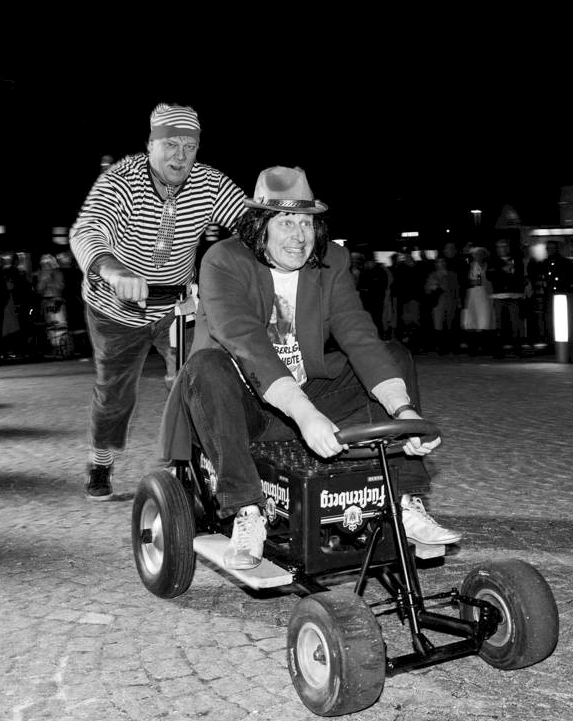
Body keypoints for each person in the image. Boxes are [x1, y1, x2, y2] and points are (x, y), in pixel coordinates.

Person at [160, 166, 460, 570]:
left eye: (307, 222)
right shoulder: (224, 260)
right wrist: (305, 415)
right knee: (206, 366)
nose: (299, 235)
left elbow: (357, 334)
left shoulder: (331, 260)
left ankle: (404, 502)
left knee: (394, 355)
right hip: (239, 409)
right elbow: (247, 343)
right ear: (259, 225)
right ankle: (247, 512)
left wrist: (402, 410)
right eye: (286, 221)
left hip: (307, 397)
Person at [69, 103, 247, 501]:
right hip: (115, 307)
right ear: (151, 145)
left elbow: (249, 222)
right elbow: (87, 231)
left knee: (198, 378)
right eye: (170, 144)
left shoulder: (208, 183)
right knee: (114, 393)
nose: (180, 156)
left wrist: (284, 232)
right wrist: (115, 272)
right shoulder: (121, 180)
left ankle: (191, 463)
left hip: (175, 306)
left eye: (189, 146)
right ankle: (101, 460)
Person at [488, 237, 525, 358]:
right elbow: (490, 276)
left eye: (504, 246)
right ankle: (498, 350)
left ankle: (517, 348)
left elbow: (520, 277)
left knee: (516, 323)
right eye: (499, 247)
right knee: (499, 323)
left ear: (508, 248)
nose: (502, 249)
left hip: (515, 296)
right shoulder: (493, 261)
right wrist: (503, 270)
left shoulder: (517, 260)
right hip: (499, 296)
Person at [460, 245, 494, 355]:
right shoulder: (469, 266)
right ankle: (473, 347)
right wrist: (471, 282)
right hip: (472, 294)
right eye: (475, 254)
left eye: (480, 254)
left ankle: (484, 347)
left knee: (485, 319)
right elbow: (463, 280)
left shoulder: (488, 266)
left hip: (485, 294)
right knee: (472, 320)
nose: (478, 256)